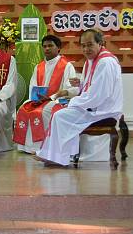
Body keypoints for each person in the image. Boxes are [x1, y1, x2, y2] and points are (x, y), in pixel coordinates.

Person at [36, 29, 123, 167]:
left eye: (89, 45)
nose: (86, 49)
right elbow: (93, 85)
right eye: (83, 45)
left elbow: (99, 94)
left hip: (102, 109)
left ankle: (57, 157)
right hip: (94, 104)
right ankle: (55, 155)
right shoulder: (93, 59)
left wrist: (74, 102)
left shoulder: (105, 62)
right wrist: (81, 83)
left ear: (100, 43)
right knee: (60, 114)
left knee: (60, 116)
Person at [14, 35, 79, 154]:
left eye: (50, 46)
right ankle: (26, 147)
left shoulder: (66, 65)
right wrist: (34, 98)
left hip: (58, 100)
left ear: (58, 48)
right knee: (23, 108)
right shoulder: (39, 67)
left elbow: (71, 89)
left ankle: (42, 146)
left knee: (42, 112)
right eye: (44, 46)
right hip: (39, 100)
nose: (47, 49)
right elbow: (32, 86)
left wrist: (51, 97)